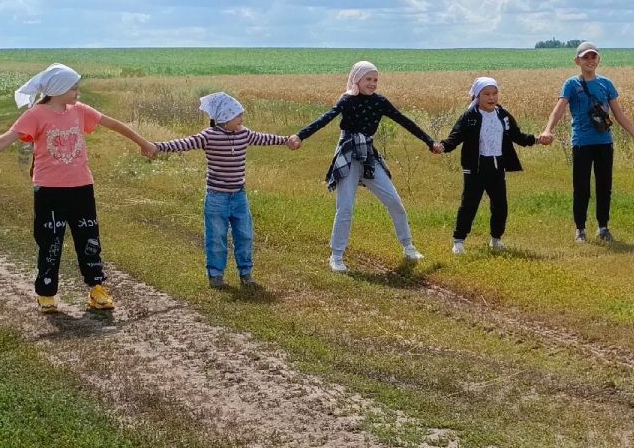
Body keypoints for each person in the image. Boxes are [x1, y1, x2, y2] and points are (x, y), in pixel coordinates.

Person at [0, 64, 158, 313]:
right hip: (49, 191)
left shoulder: (79, 111)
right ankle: (46, 293)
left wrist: (143, 142)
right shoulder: (36, 115)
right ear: (58, 89)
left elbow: (113, 124)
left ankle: (96, 289)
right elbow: (6, 138)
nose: (77, 92)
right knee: (50, 241)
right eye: (73, 88)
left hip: (82, 187)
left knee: (89, 240)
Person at [295, 61, 443, 274]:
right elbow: (326, 118)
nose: (372, 84)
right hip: (348, 153)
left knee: (394, 201)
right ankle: (336, 256)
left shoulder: (380, 102)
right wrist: (301, 135)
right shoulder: (347, 100)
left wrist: (429, 142)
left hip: (368, 155)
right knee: (345, 207)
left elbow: (404, 120)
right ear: (356, 79)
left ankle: (408, 247)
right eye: (368, 79)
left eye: (375, 80)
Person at [153, 91, 302, 286]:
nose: (241, 118)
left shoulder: (244, 134)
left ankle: (246, 272)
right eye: (237, 115)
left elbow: (265, 138)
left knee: (245, 234)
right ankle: (215, 275)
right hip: (216, 198)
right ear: (224, 118)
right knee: (216, 237)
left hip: (239, 196)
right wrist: (157, 146)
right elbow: (183, 143)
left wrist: (286, 140)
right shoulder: (208, 136)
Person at [540, 42, 634, 243]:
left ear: (598, 59)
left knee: (604, 186)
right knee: (581, 186)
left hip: (604, 142)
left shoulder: (606, 84)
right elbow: (558, 110)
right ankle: (580, 229)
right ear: (577, 61)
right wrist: (548, 129)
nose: (590, 61)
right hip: (581, 143)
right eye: (585, 57)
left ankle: (603, 227)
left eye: (593, 57)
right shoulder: (571, 84)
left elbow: (618, 114)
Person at [441, 76, 539, 253]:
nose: (491, 98)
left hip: (497, 165)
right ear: (478, 96)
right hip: (475, 167)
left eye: (494, 93)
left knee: (500, 205)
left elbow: (517, 136)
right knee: (469, 204)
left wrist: (537, 140)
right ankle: (459, 241)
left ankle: (496, 238)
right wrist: (442, 146)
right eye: (486, 94)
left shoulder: (503, 115)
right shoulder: (470, 116)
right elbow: (455, 137)